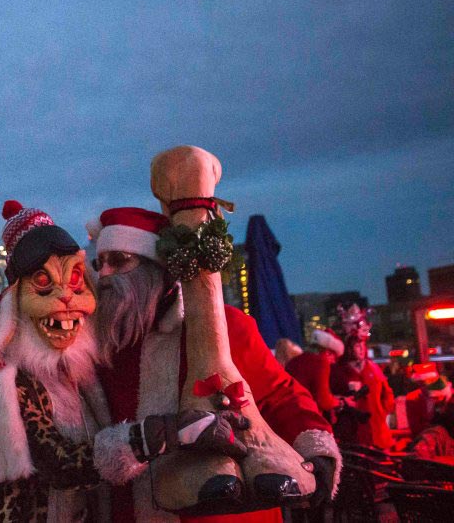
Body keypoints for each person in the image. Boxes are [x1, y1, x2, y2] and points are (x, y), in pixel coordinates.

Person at [88, 207, 340, 523]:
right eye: (100, 263)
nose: (104, 274)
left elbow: (281, 395)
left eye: (120, 260)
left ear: (159, 267)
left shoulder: (222, 326)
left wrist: (318, 451)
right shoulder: (101, 346)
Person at [0, 201, 110, 521]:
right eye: (43, 281)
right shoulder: (18, 379)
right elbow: (56, 460)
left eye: (73, 279)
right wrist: (140, 442)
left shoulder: (82, 372)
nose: (64, 297)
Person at [330, 332, 394, 450]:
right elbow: (331, 397)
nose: (361, 349)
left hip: (377, 432)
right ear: (349, 348)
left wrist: (382, 412)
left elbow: (387, 393)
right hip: (352, 433)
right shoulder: (338, 371)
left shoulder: (373, 368)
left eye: (363, 345)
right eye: (357, 346)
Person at [286, 329, 345, 420]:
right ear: (328, 352)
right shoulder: (321, 362)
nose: (333, 362)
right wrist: (339, 402)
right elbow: (323, 400)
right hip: (308, 416)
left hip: (290, 414)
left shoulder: (294, 361)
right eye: (334, 357)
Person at [404, 364, 452, 440]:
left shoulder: (450, 396)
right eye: (423, 382)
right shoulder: (413, 398)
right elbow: (415, 428)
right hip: (426, 440)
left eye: (432, 380)